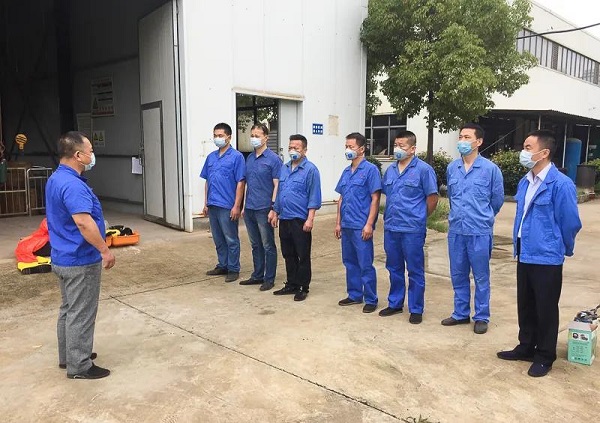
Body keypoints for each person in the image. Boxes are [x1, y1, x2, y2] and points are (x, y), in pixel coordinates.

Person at [497, 130, 581, 377]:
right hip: (525, 251)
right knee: (526, 304)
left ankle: (544, 355)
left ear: (544, 152)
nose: (522, 152)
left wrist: (562, 248)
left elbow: (570, 222)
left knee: (546, 308)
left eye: (527, 147)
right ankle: (526, 346)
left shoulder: (561, 184)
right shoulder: (526, 181)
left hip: (547, 255)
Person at [45, 131, 115, 379]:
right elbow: (84, 223)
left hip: (62, 256)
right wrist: (104, 250)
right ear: (78, 155)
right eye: (90, 151)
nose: (92, 155)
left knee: (68, 308)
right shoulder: (73, 185)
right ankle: (79, 366)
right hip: (79, 259)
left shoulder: (56, 178)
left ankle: (69, 356)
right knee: (81, 312)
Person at [442, 123, 504, 334]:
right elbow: (452, 197)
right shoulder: (453, 168)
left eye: (467, 137)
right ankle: (460, 313)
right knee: (458, 273)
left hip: (479, 231)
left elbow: (497, 200)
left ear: (479, 142)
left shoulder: (490, 170)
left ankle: (481, 316)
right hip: (457, 230)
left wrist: (483, 217)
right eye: (460, 137)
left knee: (480, 276)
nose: (462, 141)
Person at [379, 131, 438, 324]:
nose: (397, 149)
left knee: (414, 269)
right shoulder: (390, 170)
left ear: (412, 149)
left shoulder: (423, 170)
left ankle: (416, 308)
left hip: (412, 229)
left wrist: (420, 217)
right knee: (394, 267)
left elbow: (432, 198)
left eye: (402, 146)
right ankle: (395, 303)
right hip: (392, 227)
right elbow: (387, 194)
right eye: (396, 145)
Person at [268, 134, 321, 301]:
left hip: (300, 220)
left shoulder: (310, 170)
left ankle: (303, 287)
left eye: (296, 148)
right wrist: (275, 211)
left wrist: (310, 218)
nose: (292, 151)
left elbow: (314, 196)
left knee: (302, 254)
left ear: (304, 150)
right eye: (290, 147)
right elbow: (280, 192)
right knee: (288, 253)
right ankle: (291, 283)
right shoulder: (284, 168)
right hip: (285, 218)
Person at [335, 132, 382, 313]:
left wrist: (369, 224)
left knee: (365, 263)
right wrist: (338, 222)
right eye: (346, 146)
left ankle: (371, 298)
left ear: (362, 149)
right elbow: (341, 198)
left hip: (361, 225)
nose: (347, 150)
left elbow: (375, 199)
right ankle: (354, 294)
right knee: (349, 262)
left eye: (351, 147)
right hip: (347, 224)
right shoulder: (346, 172)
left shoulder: (370, 170)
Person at [200, 123, 246, 282]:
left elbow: (241, 182)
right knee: (218, 238)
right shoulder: (211, 157)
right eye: (215, 135)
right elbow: (207, 181)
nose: (217, 138)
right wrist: (206, 203)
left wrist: (237, 206)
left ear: (229, 137)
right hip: (213, 204)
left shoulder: (237, 157)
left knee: (231, 238)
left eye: (220, 135)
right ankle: (223, 265)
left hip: (228, 205)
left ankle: (233, 268)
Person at [240, 124, 282, 292]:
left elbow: (277, 185)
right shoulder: (249, 158)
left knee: (268, 245)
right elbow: (247, 184)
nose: (254, 138)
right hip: (250, 207)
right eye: (252, 135)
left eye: (257, 135)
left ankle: (269, 278)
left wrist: (273, 208)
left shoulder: (273, 159)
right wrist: (244, 206)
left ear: (266, 138)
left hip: (264, 208)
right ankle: (257, 275)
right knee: (255, 244)